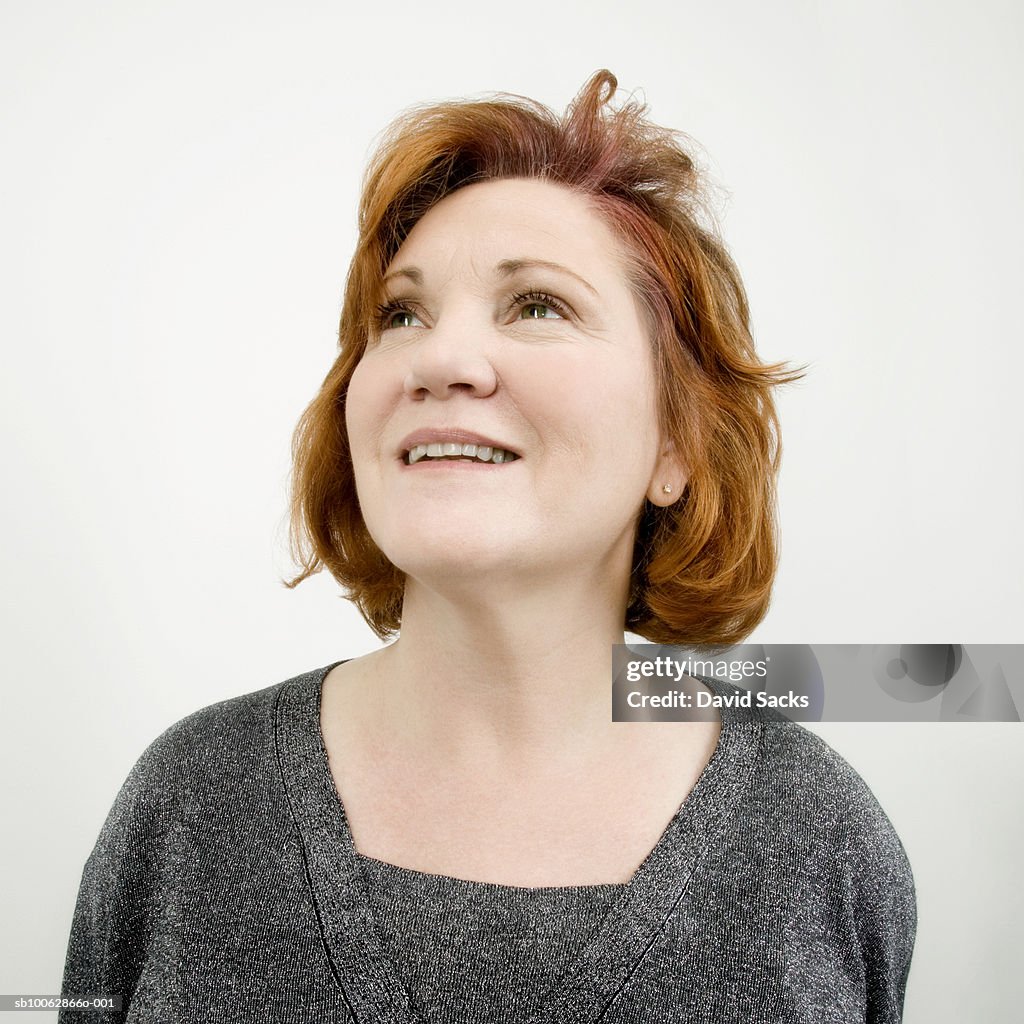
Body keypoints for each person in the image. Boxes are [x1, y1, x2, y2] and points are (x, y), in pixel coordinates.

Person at [59, 70, 916, 1022]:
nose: (438, 359)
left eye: (537, 306)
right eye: (401, 315)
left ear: (675, 441)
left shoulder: (819, 843)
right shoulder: (188, 805)